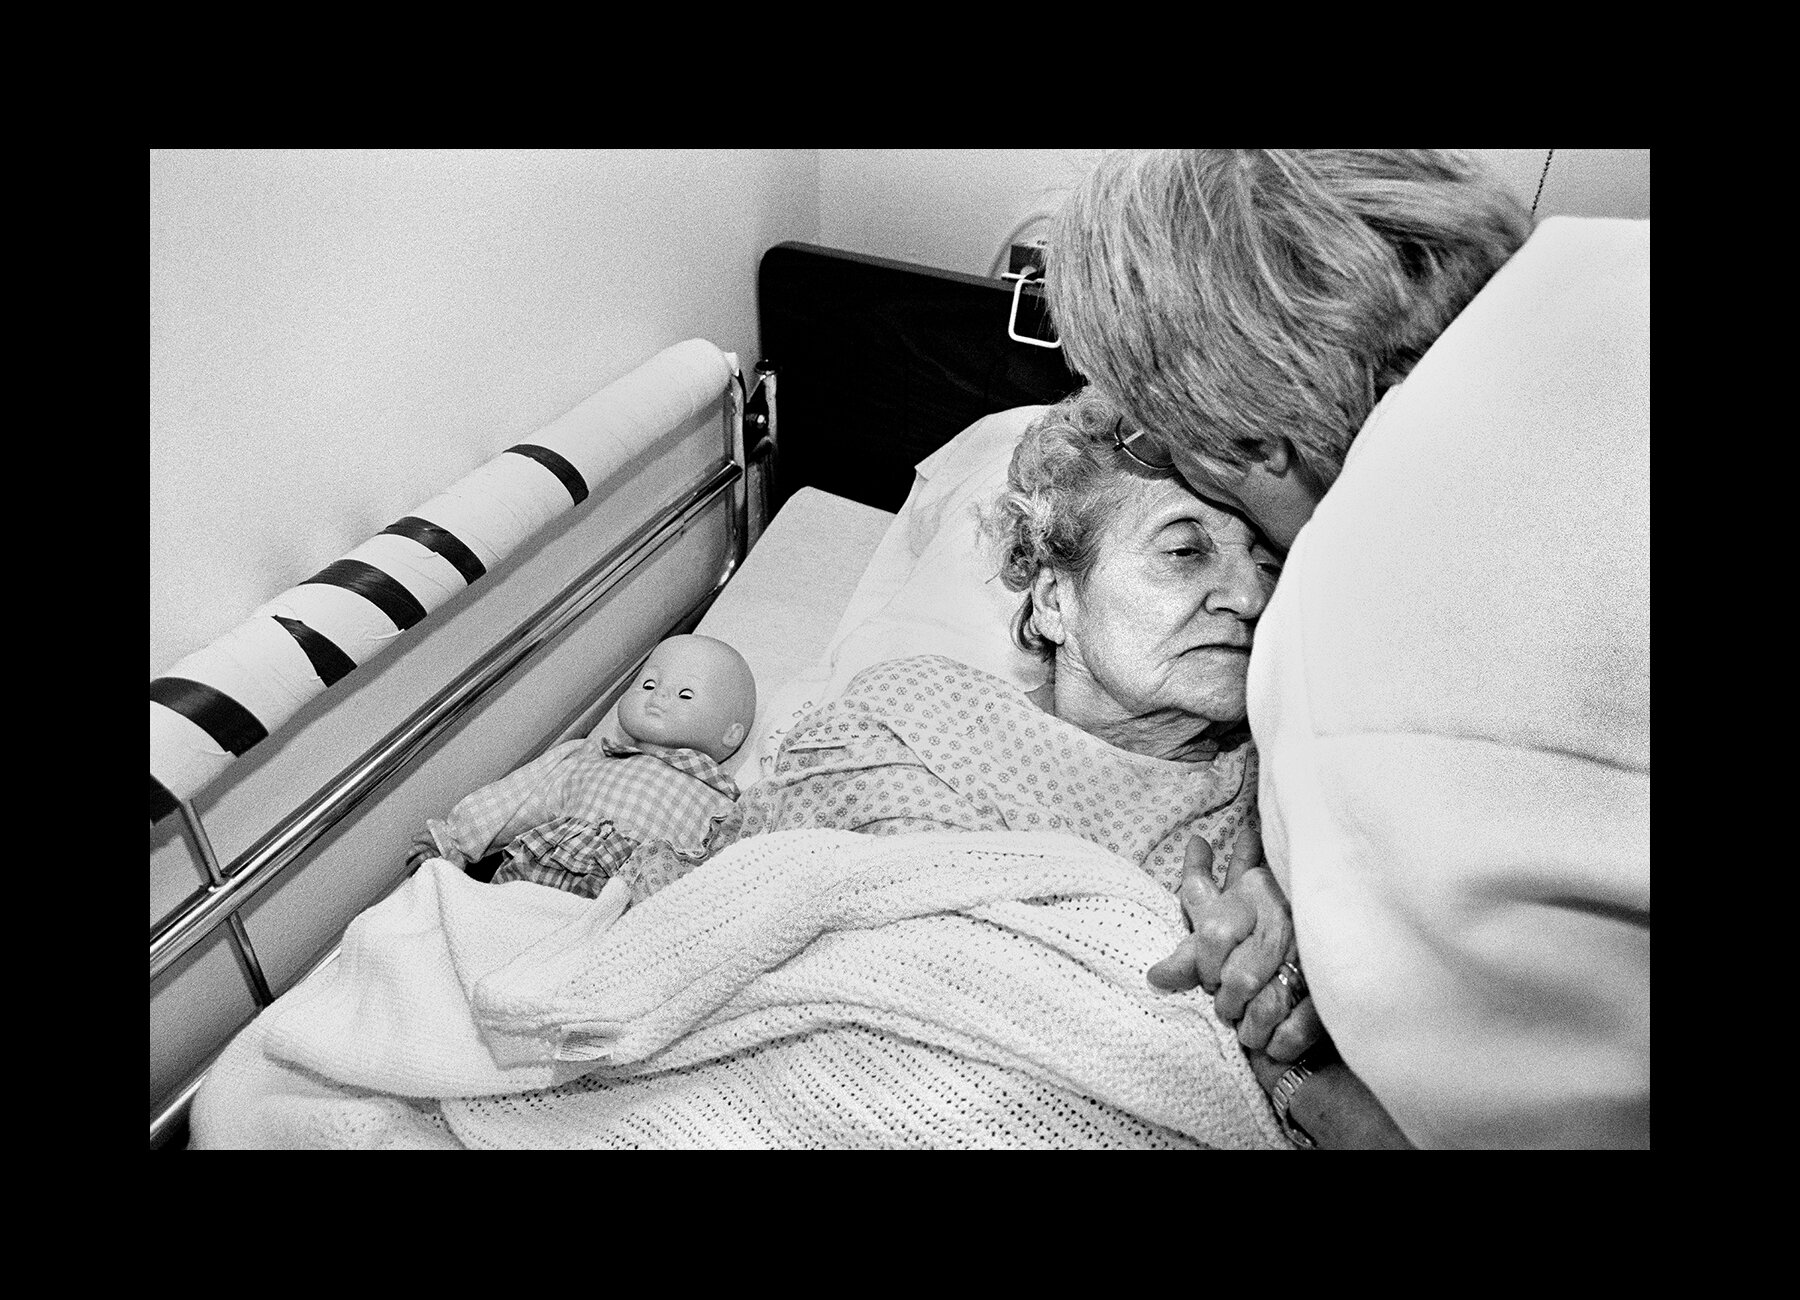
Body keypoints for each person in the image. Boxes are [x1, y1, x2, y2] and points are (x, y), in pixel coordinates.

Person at [1045, 149, 1648, 1148]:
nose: (1244, 593)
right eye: (1181, 545)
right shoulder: (1604, 266)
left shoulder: (1351, 638)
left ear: (1244, 441)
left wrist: (1308, 1073)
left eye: (1169, 439)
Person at [704, 385, 1279, 902]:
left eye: (1268, 564)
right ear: (1054, 601)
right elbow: (737, 898)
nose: (1250, 597)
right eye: (1184, 551)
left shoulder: (1284, 808)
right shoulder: (908, 719)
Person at [407, 634, 757, 903]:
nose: (659, 696)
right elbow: (518, 797)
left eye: (685, 695)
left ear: (732, 734)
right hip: (533, 895)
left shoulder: (726, 807)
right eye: (649, 684)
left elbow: (736, 877)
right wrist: (454, 838)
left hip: (630, 910)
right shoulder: (590, 758)